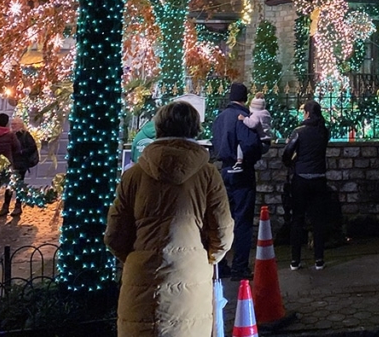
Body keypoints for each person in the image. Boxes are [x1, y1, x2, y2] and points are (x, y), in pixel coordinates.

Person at [105, 101, 234, 337]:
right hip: (190, 284)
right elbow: (222, 234)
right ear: (194, 129)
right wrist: (205, 258)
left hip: (140, 284)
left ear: (159, 128)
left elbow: (114, 235)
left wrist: (139, 256)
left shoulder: (133, 176)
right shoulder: (208, 175)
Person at [211, 82, 265, 280]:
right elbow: (250, 145)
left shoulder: (219, 118)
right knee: (242, 220)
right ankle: (239, 267)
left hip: (224, 170)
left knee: (223, 219)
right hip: (242, 172)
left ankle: (221, 263)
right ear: (245, 98)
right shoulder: (243, 117)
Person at [282, 100, 331, 271]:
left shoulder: (299, 132)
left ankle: (295, 260)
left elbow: (286, 154)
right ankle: (319, 259)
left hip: (301, 179)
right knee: (318, 220)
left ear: (308, 113)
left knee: (298, 219)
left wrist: (294, 162)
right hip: (319, 179)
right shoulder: (324, 131)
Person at [0, 117, 39, 219]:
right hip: (11, 163)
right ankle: (6, 206)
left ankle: (17, 206)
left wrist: (21, 152)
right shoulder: (10, 135)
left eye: (15, 124)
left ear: (20, 125)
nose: (13, 125)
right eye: (12, 124)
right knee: (9, 185)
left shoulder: (25, 135)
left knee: (18, 185)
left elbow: (32, 147)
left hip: (21, 164)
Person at [231, 94, 274, 173]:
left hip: (260, 142)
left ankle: (239, 162)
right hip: (267, 142)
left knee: (240, 145)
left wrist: (244, 119)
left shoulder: (256, 115)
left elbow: (252, 124)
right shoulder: (266, 113)